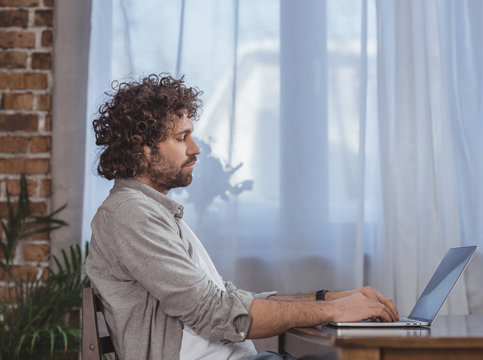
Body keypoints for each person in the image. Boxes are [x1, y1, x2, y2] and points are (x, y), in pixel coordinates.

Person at [85, 74, 399, 360]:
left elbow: (226, 299)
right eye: (181, 139)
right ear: (142, 148)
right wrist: (333, 310)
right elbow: (215, 313)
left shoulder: (153, 212)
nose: (196, 149)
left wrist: (327, 299)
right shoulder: (129, 214)